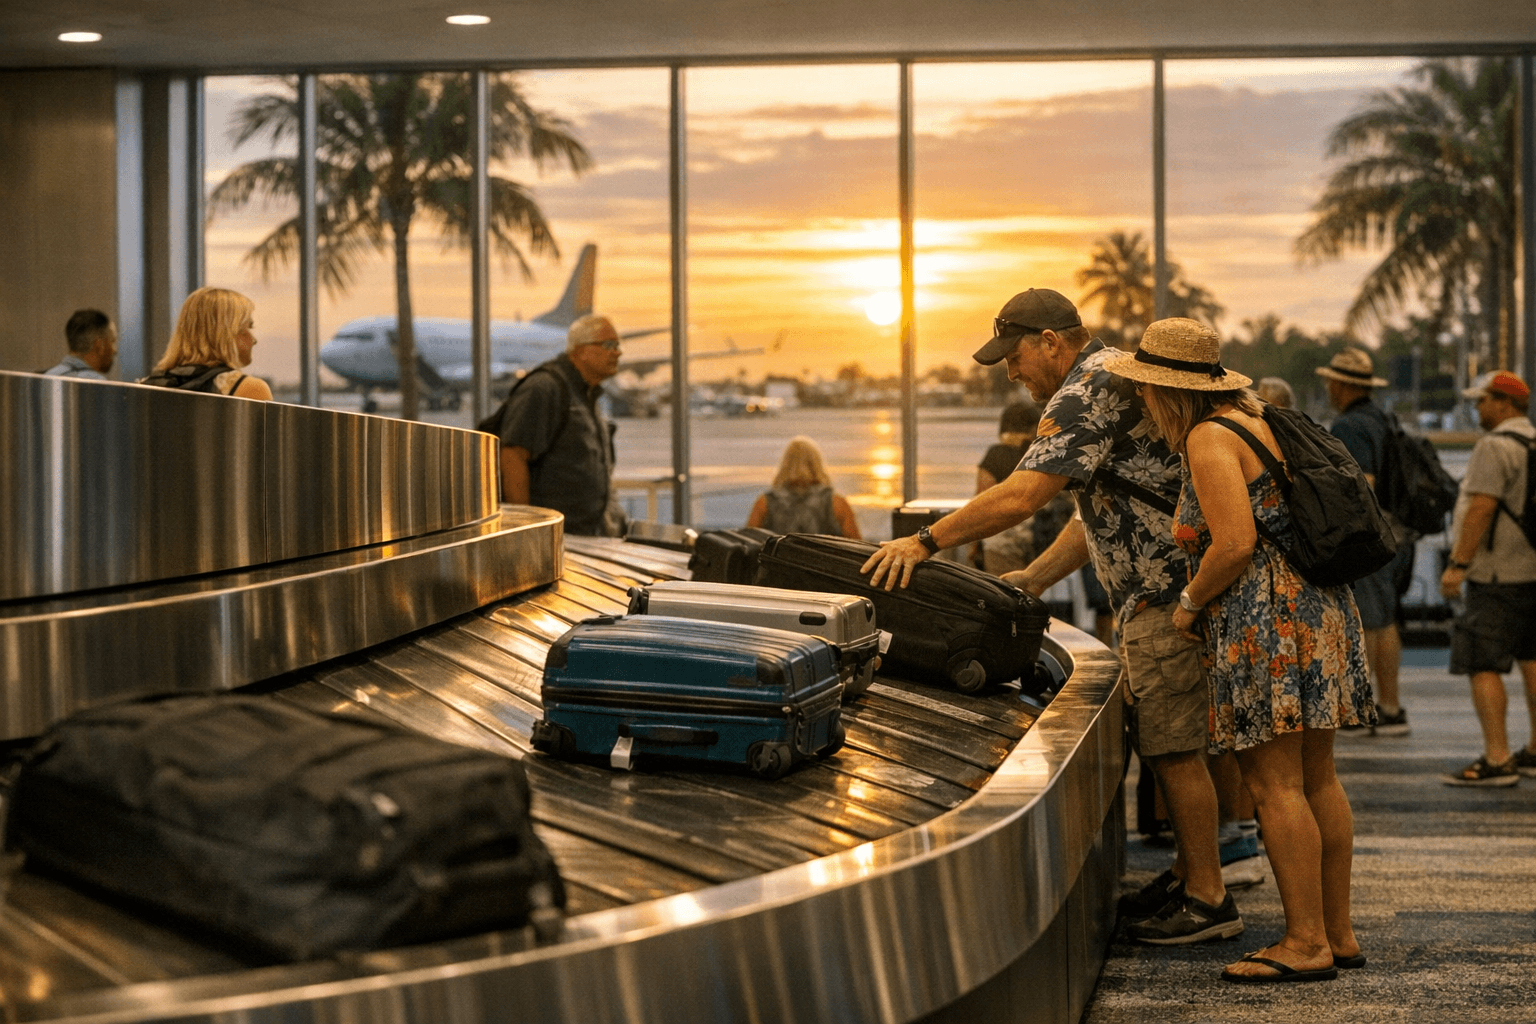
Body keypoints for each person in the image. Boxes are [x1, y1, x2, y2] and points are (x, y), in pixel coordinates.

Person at [862, 288, 1240, 945]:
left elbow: (1023, 494)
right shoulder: (1116, 372)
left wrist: (923, 541)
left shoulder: (1084, 391)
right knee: (1174, 744)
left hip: (1167, 596)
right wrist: (1035, 577)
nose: (1010, 371)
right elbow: (1096, 503)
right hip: (1169, 591)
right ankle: (1189, 873)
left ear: (1052, 343)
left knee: (1175, 749)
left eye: (1014, 356)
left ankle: (1208, 897)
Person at [1108, 317, 1372, 983]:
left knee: (1271, 784)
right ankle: (1336, 934)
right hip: (1321, 605)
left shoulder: (1206, 436)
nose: (1141, 400)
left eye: (1145, 390)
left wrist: (1190, 604)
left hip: (1268, 616)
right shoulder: (1261, 418)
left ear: (1170, 391)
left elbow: (1233, 543)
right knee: (1319, 779)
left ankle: (1305, 943)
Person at [1438, 371, 1536, 787]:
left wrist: (1458, 564)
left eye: (1483, 401)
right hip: (1531, 571)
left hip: (1495, 575)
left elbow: (1481, 508)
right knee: (1532, 658)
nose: (1478, 409)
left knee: (1482, 661)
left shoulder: (1494, 447)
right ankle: (1534, 750)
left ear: (1504, 404)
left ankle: (1497, 759)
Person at [1316, 348, 1410, 737]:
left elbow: (1361, 484)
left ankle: (1375, 709)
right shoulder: (1382, 418)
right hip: (1398, 530)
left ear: (1341, 384)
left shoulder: (1351, 426)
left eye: (1331, 382)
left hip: (1373, 534)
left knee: (1371, 621)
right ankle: (1388, 706)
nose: (1328, 387)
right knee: (1384, 618)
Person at [498, 313, 627, 537]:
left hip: (585, 537)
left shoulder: (586, 395)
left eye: (617, 345)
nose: (618, 352)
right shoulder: (546, 388)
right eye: (608, 345)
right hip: (557, 539)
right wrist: (529, 532)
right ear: (580, 350)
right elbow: (512, 457)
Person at [972, 402, 1071, 573]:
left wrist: (973, 546)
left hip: (1006, 545)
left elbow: (981, 503)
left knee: (1006, 595)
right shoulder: (1046, 454)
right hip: (1047, 544)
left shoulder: (996, 455)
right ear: (1034, 426)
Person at [139, 288, 273, 400]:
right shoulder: (250, 390)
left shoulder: (144, 388)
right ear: (226, 333)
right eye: (248, 327)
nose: (253, 339)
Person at [746, 435, 861, 538]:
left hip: (777, 562)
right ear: (817, 464)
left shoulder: (765, 503)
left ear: (785, 465)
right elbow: (858, 550)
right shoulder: (837, 503)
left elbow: (747, 546)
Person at [45, 309, 117, 380]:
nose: (115, 350)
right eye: (112, 341)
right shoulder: (97, 383)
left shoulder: (47, 377)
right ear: (100, 345)